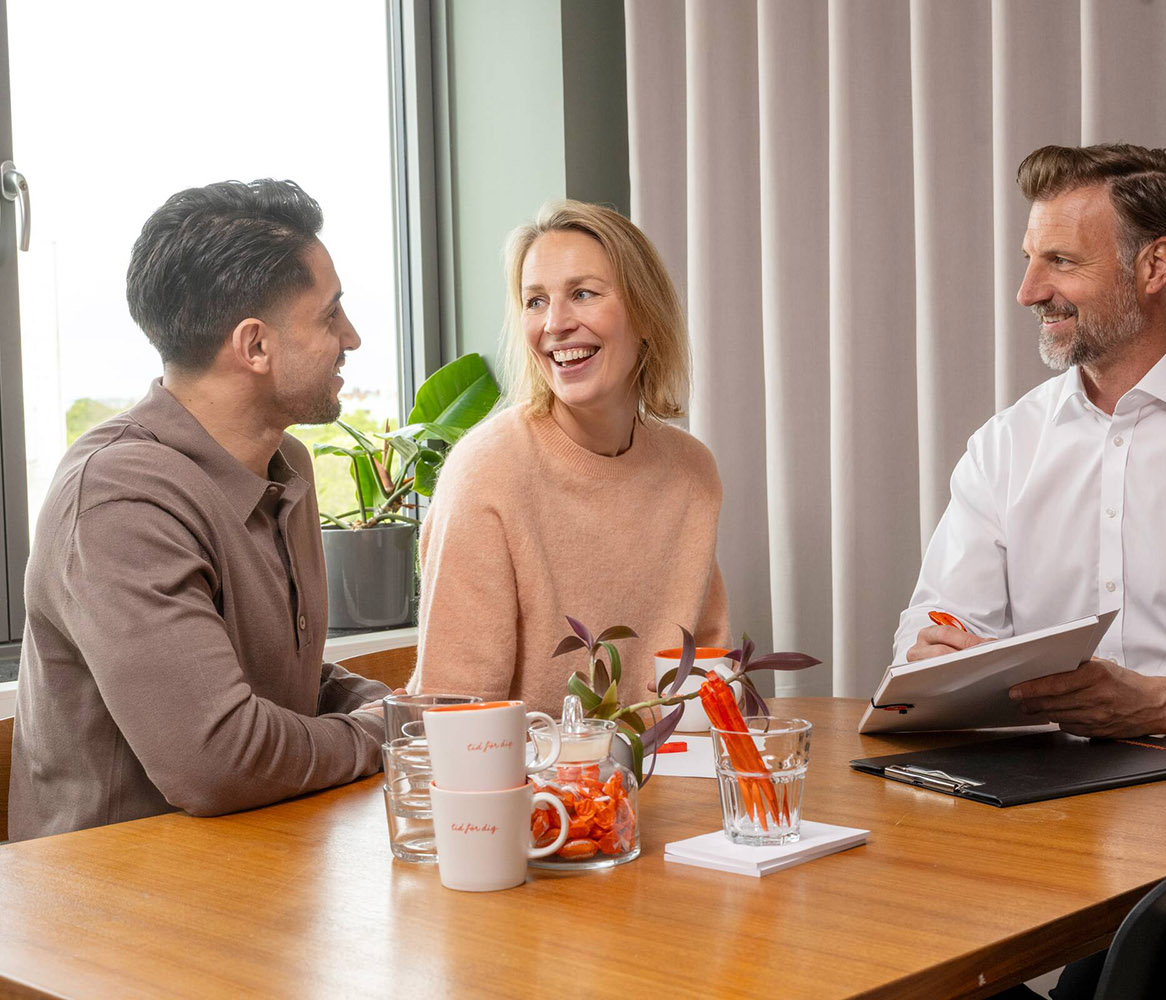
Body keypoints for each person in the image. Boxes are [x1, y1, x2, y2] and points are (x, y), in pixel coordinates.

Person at [8, 179, 390, 841]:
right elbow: (220, 759)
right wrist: (384, 735)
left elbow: (277, 679)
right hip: (116, 917)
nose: (351, 338)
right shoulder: (120, 499)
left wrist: (403, 712)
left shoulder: (286, 466)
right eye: (331, 316)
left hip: (252, 870)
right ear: (255, 347)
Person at [895, 142, 1166, 747]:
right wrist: (934, 662)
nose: (1028, 291)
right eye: (1030, 259)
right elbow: (926, 641)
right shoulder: (1004, 446)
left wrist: (1158, 705)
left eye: (1060, 261)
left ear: (1155, 267)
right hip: (1034, 808)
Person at [413, 201, 729, 713]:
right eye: (535, 301)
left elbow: (708, 681)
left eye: (582, 294)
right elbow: (455, 716)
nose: (554, 323)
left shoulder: (692, 472)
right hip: (532, 791)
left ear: (646, 313)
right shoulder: (487, 472)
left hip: (670, 783)